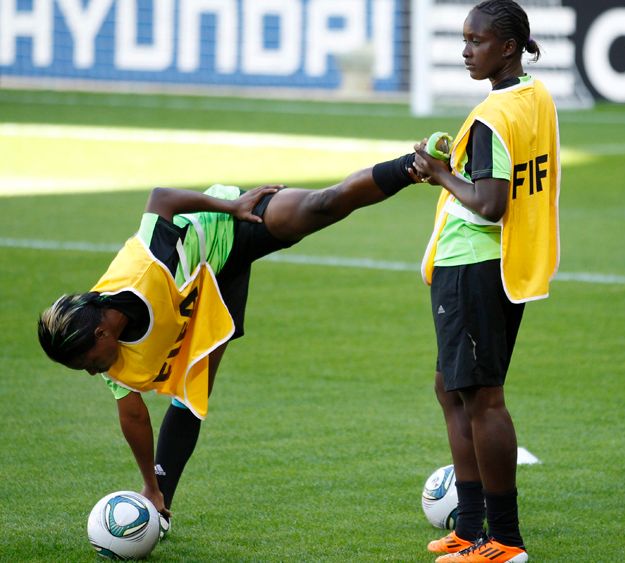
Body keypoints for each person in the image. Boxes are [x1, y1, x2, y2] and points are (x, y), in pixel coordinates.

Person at [37, 154, 422, 530]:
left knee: (321, 205)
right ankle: (160, 505)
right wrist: (148, 485)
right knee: (192, 393)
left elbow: (161, 198)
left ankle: (415, 164)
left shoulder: (147, 266)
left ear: (101, 333)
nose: (92, 372)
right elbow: (133, 417)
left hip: (229, 227)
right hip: (207, 292)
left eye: (87, 363)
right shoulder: (108, 355)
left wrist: (231, 206)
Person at [411, 1, 559, 561]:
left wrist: (438, 173)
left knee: (483, 399)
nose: (466, 51)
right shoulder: (534, 97)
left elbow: (492, 202)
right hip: (502, 263)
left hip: (474, 264)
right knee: (452, 388)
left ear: (508, 47)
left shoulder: (492, 116)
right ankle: (470, 526)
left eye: (476, 41)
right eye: (464, 40)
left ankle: (504, 540)